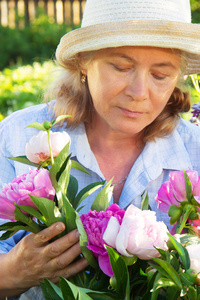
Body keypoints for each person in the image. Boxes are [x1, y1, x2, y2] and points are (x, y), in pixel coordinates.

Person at [1, 0, 200, 298]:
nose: (139, 93)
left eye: (160, 75)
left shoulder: (194, 151)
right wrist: (12, 273)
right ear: (83, 61)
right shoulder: (16, 136)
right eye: (121, 67)